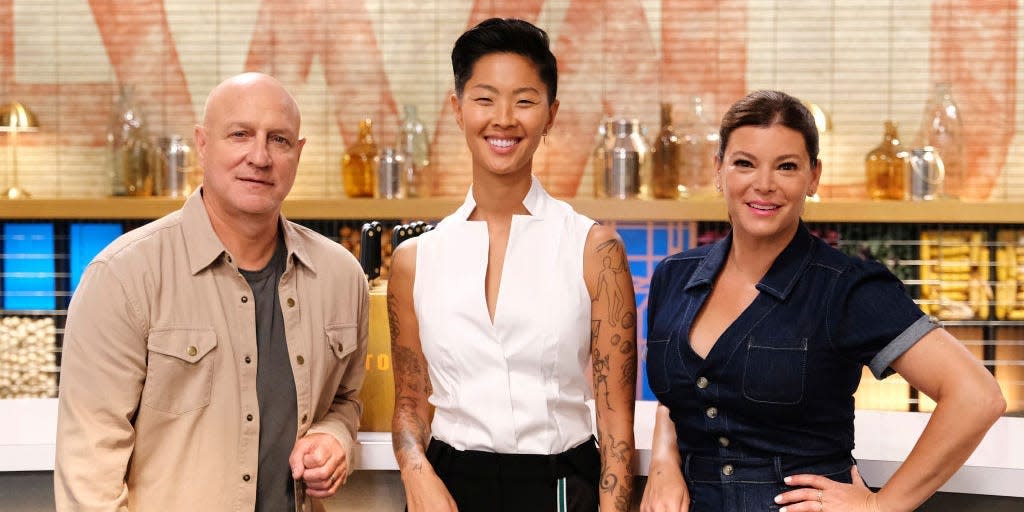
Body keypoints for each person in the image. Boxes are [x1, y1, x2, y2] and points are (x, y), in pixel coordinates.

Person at [640, 90, 1006, 512]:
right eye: (744, 163)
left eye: (787, 167)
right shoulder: (674, 275)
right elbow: (684, 392)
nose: (764, 184)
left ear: (813, 177)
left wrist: (880, 506)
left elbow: (977, 396)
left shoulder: (846, 287)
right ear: (718, 169)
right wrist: (666, 459)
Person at [55, 72, 369, 512]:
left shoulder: (341, 277)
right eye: (239, 134)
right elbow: (88, 471)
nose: (259, 157)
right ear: (202, 144)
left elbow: (346, 401)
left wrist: (334, 436)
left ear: (298, 154)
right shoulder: (123, 276)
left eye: (278, 140)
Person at [388, 18, 637, 512]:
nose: (503, 118)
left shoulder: (594, 249)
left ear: (550, 114)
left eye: (524, 101)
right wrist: (416, 472)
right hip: (450, 486)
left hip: (562, 484)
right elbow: (410, 404)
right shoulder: (416, 259)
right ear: (457, 110)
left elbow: (615, 426)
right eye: (484, 99)